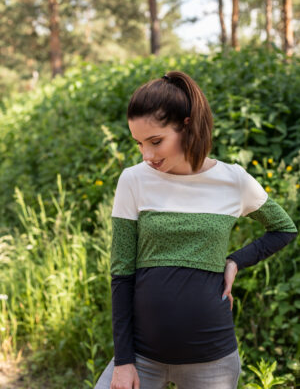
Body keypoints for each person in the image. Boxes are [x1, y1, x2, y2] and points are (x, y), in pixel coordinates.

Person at [94, 71, 298, 389]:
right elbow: (121, 275)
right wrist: (123, 361)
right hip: (142, 357)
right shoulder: (133, 180)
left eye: (156, 141)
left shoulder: (234, 180)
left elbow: (284, 229)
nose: (146, 155)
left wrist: (235, 261)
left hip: (212, 363)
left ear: (187, 125)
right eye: (138, 143)